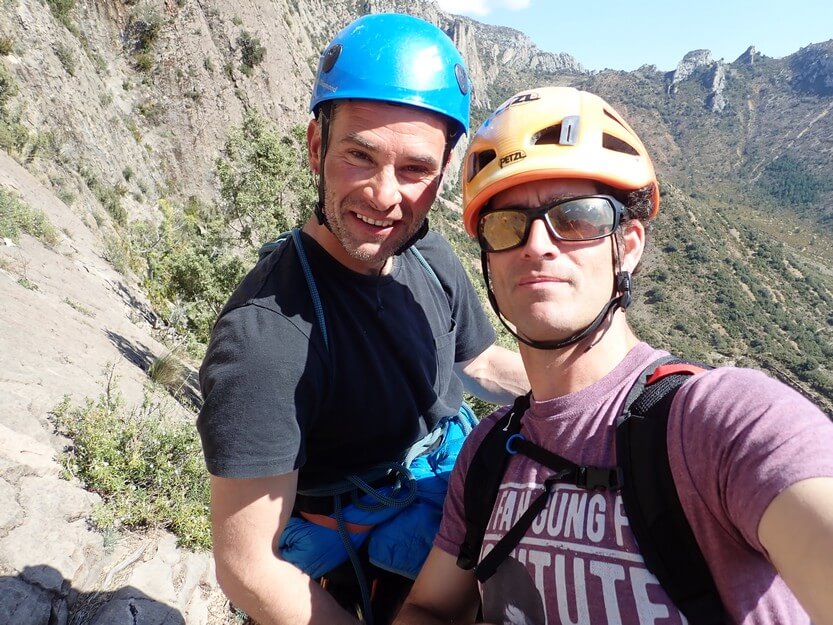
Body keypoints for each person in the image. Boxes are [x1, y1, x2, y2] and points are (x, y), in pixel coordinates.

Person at [394, 86, 833, 624]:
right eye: (507, 225)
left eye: (576, 218)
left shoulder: (719, 422)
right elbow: (430, 610)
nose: (538, 244)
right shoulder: (488, 456)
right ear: (487, 260)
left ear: (627, 246)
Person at [197, 13, 529, 625]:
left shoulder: (420, 250)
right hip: (359, 567)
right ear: (316, 146)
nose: (384, 196)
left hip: (440, 497)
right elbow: (247, 564)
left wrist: (598, 404)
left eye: (414, 170)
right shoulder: (266, 340)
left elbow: (477, 361)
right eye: (359, 156)